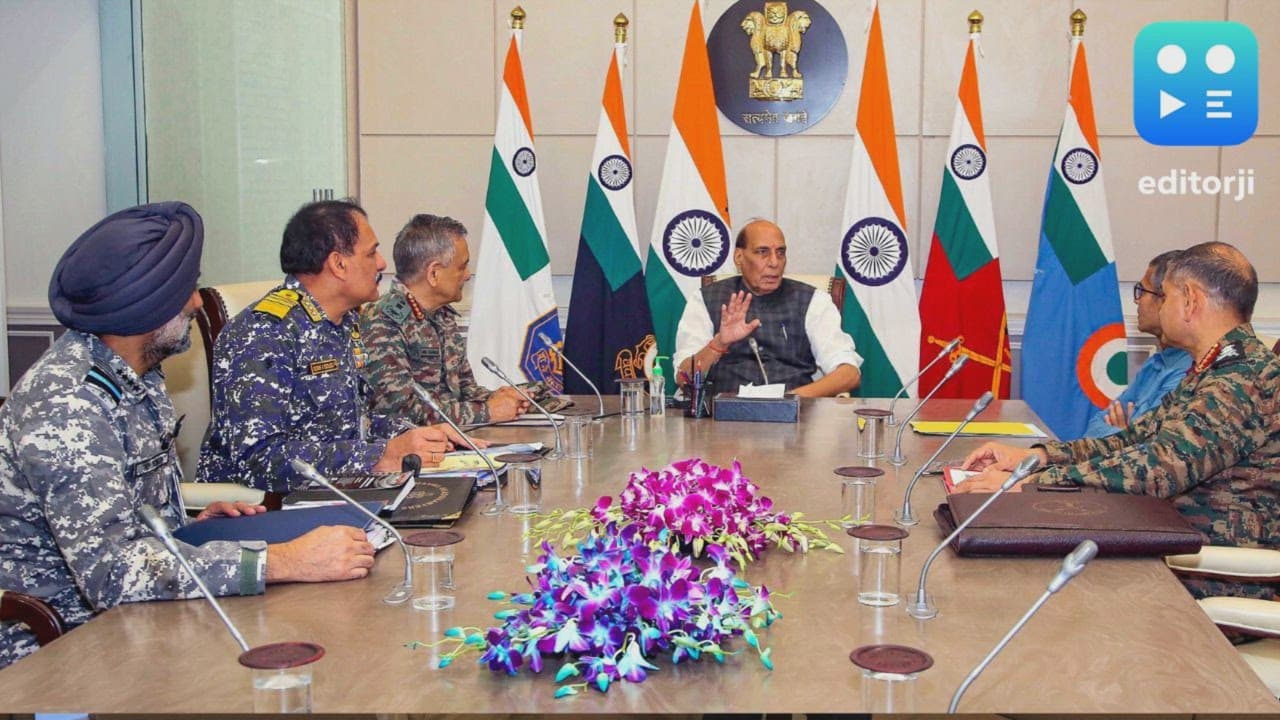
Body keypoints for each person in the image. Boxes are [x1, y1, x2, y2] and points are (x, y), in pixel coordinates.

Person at [0, 203, 375, 670]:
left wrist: (192, 521)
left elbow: (133, 519)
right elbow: (110, 575)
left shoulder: (138, 373)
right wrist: (281, 561)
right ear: (146, 306)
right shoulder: (68, 406)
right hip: (66, 645)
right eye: (185, 291)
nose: (197, 303)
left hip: (151, 607)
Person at [957, 242, 1280, 598]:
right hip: (1164, 542)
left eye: (1166, 295)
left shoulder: (1242, 379)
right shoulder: (1215, 369)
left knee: (1026, 584)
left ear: (1190, 300)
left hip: (1208, 573)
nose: (1161, 305)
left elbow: (1156, 470)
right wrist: (1038, 457)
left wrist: (1031, 485)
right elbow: (1133, 441)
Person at [198, 200, 477, 496]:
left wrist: (415, 434)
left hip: (340, 492)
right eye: (371, 253)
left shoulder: (343, 323)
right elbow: (259, 460)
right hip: (269, 508)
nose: (382, 263)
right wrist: (379, 456)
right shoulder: (263, 332)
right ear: (338, 264)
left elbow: (352, 424)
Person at [360, 214, 533, 426]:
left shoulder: (442, 315)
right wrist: (488, 411)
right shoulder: (383, 321)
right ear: (433, 273)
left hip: (458, 438)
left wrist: (501, 399)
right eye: (462, 267)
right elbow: (400, 411)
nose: (467, 275)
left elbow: (465, 391)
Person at [673, 219, 862, 397]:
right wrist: (719, 344)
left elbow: (849, 374)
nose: (774, 262)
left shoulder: (813, 300)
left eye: (780, 253)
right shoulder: (706, 299)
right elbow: (683, 378)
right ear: (739, 257)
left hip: (796, 414)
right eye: (762, 252)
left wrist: (789, 400)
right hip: (721, 413)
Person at [1081, 250, 1192, 438]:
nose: (1136, 300)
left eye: (1143, 291)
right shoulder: (1155, 363)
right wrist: (1125, 433)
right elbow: (1095, 425)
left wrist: (1125, 435)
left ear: (1165, 299)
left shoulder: (1187, 373)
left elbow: (1150, 446)